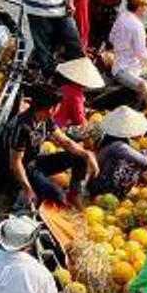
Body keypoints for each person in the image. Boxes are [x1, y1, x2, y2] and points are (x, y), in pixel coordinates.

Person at [6, 81, 97, 209]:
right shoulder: (23, 127)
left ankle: (74, 195)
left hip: (37, 162)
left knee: (79, 157)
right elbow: (15, 162)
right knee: (57, 195)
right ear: (51, 108)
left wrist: (87, 155)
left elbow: (65, 141)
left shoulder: (46, 119)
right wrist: (27, 188)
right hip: (26, 168)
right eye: (58, 106)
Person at [87, 106, 147, 198]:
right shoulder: (120, 146)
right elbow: (145, 162)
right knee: (146, 155)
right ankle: (125, 191)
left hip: (98, 182)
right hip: (105, 188)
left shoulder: (108, 138)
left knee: (139, 157)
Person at [108, 0, 147, 108]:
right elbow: (142, 54)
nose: (146, 10)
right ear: (140, 7)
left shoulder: (122, 17)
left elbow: (111, 38)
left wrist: (124, 47)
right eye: (146, 6)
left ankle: (140, 104)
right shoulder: (137, 26)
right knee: (143, 85)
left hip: (119, 65)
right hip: (124, 70)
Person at [51, 55, 104, 135]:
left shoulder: (63, 87)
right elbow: (79, 119)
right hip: (62, 127)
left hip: (53, 122)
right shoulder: (77, 95)